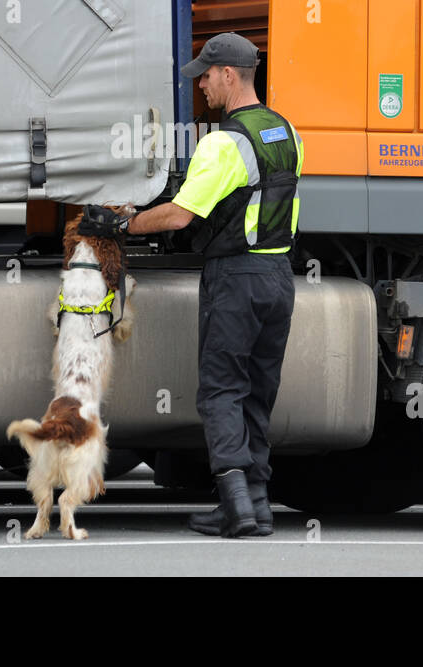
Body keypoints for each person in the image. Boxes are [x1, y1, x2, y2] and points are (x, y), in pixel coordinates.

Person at [123, 32, 303, 538]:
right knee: (258, 392)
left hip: (236, 279)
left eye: (206, 74)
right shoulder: (288, 132)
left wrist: (125, 226)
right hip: (278, 277)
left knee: (221, 390)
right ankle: (260, 504)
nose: (200, 84)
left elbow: (181, 216)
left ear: (229, 75)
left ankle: (235, 504)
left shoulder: (223, 143)